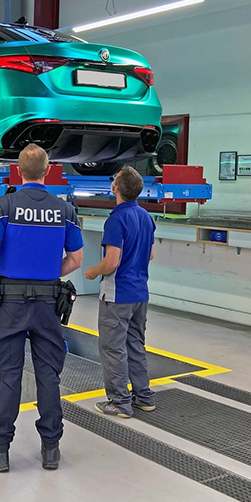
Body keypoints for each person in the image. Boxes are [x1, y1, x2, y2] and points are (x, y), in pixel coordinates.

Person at [0, 144, 84, 472]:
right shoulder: (63, 209)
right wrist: (51, 273)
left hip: (10, 301)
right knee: (48, 373)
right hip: (48, 302)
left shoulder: (4, 204)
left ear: (19, 171)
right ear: (47, 170)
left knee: (9, 373)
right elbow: (76, 259)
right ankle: (51, 448)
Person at [84, 165, 157, 418]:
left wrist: (93, 271)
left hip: (117, 296)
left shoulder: (116, 219)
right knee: (135, 345)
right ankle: (144, 397)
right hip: (140, 293)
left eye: (113, 181)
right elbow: (150, 255)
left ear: (115, 189)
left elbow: (112, 262)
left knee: (112, 348)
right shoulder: (146, 217)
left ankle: (119, 402)